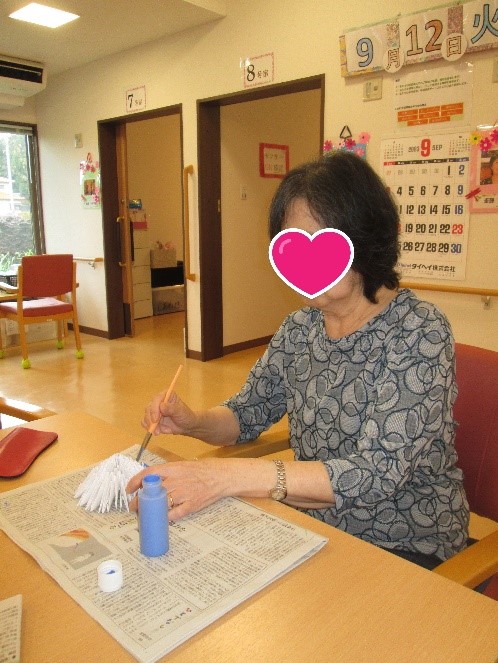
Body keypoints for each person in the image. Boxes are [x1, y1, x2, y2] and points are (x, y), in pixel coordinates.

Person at [127, 151, 469, 570]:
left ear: (365, 240)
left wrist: (227, 478)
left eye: (320, 243)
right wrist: (193, 421)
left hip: (406, 544)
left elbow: (377, 473)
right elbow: (247, 414)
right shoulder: (300, 328)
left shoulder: (419, 330)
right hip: (315, 529)